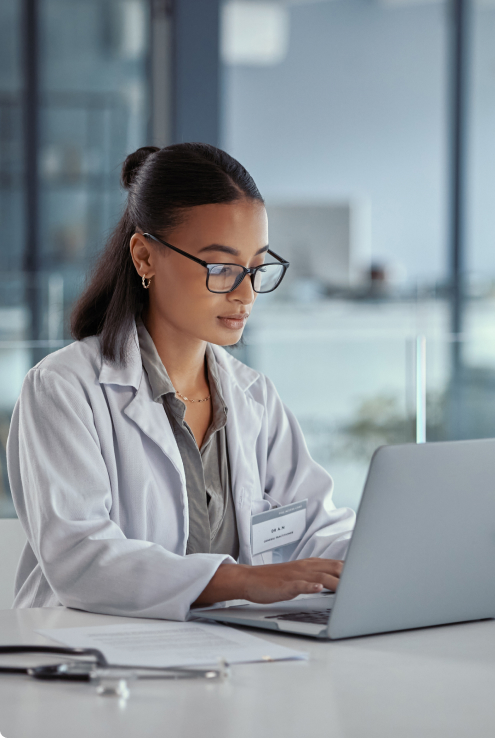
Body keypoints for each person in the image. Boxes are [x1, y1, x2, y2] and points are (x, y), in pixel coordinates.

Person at [6, 143, 354, 621]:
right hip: (93, 665)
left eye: (255, 268)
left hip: (226, 660)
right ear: (145, 257)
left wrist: (377, 558)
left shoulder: (254, 397)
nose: (246, 294)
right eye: (221, 268)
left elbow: (316, 524)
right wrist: (243, 581)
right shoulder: (64, 388)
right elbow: (81, 558)